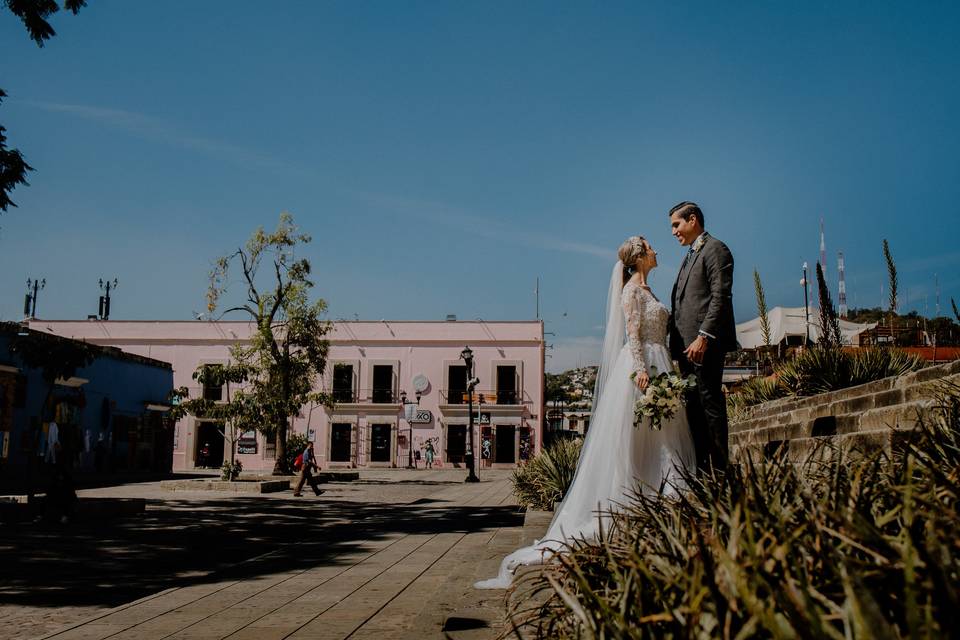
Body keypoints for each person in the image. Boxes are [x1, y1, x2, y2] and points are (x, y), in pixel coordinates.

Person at [475, 236, 695, 589]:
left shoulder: (651, 291)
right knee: (639, 438)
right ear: (639, 257)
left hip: (662, 363)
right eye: (651, 248)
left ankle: (662, 496)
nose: (656, 251)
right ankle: (636, 502)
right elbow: (633, 334)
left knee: (661, 437)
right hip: (642, 369)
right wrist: (641, 370)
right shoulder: (631, 293)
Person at [667, 202, 736, 473]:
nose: (673, 232)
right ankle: (702, 472)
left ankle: (720, 472)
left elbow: (720, 296)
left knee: (709, 404)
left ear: (692, 219)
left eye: (676, 224)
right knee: (694, 409)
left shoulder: (716, 249)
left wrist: (704, 337)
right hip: (686, 349)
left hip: (703, 346)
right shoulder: (689, 255)